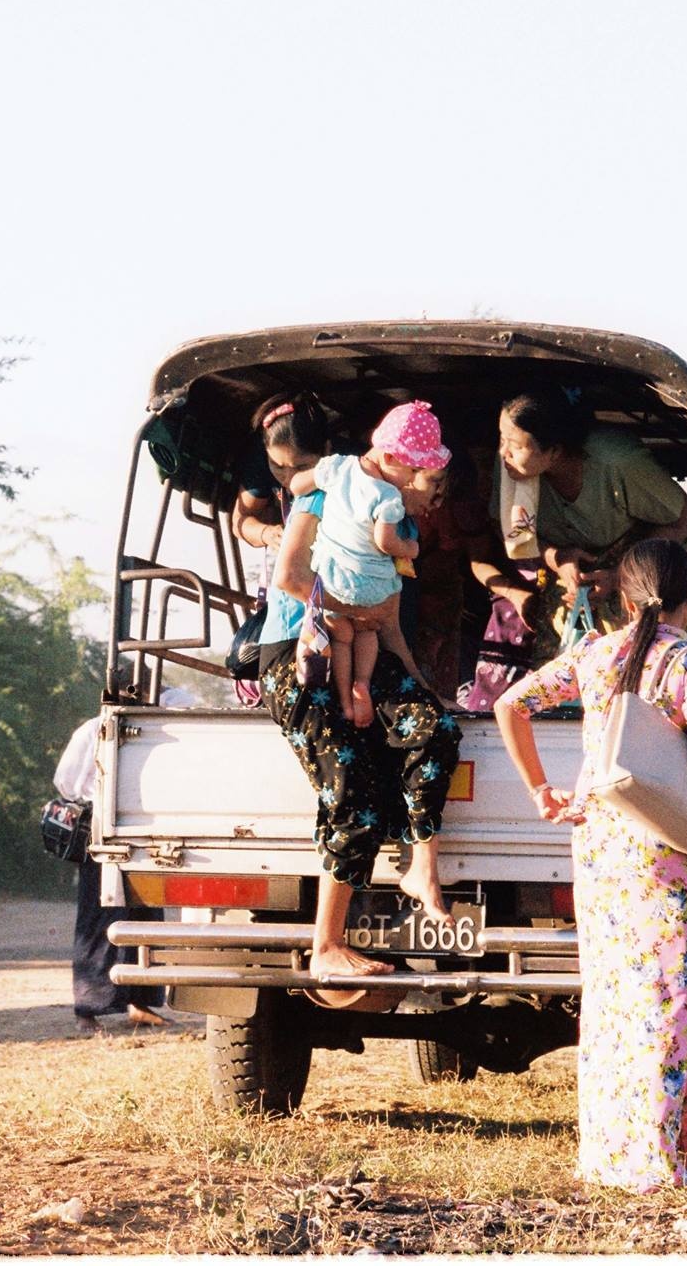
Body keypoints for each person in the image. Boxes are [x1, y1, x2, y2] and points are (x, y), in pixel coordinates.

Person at [493, 539, 687, 1191]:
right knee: (670, 1003)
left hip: (602, 850)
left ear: (623, 599)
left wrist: (542, 790)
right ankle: (662, 1161)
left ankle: (615, 1154)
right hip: (669, 850)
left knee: (614, 1002)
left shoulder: (596, 654)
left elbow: (508, 705)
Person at [247, 391, 464, 975]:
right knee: (354, 798)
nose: (431, 492)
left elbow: (388, 622)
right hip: (300, 653)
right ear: (402, 465)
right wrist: (346, 613)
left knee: (436, 728)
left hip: (358, 637)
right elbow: (291, 578)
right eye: (430, 479)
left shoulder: (394, 525)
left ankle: (422, 864)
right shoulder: (328, 491)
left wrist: (423, 688)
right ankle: (327, 947)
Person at [464, 389, 687, 707]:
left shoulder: (617, 461)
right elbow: (508, 529)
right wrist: (555, 558)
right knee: (560, 668)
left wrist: (621, 574)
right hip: (572, 566)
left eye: (516, 445)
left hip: (644, 557)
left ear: (554, 451)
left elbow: (684, 520)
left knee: (640, 674)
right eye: (501, 438)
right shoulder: (511, 467)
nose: (503, 452)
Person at [289, 400, 450, 725]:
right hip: (368, 590)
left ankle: (347, 699)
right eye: (415, 472)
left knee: (344, 638)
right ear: (390, 458)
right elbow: (385, 542)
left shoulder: (336, 469)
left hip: (333, 580)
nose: (412, 480)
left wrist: (306, 485)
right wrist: (411, 548)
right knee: (367, 634)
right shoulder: (388, 498)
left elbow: (296, 485)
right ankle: (361, 684)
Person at [57, 691, 188, 1034]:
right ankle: (87, 1009)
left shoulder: (160, 730)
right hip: (101, 829)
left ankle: (139, 1002)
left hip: (148, 830)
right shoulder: (94, 730)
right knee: (99, 916)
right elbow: (68, 785)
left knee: (145, 914)